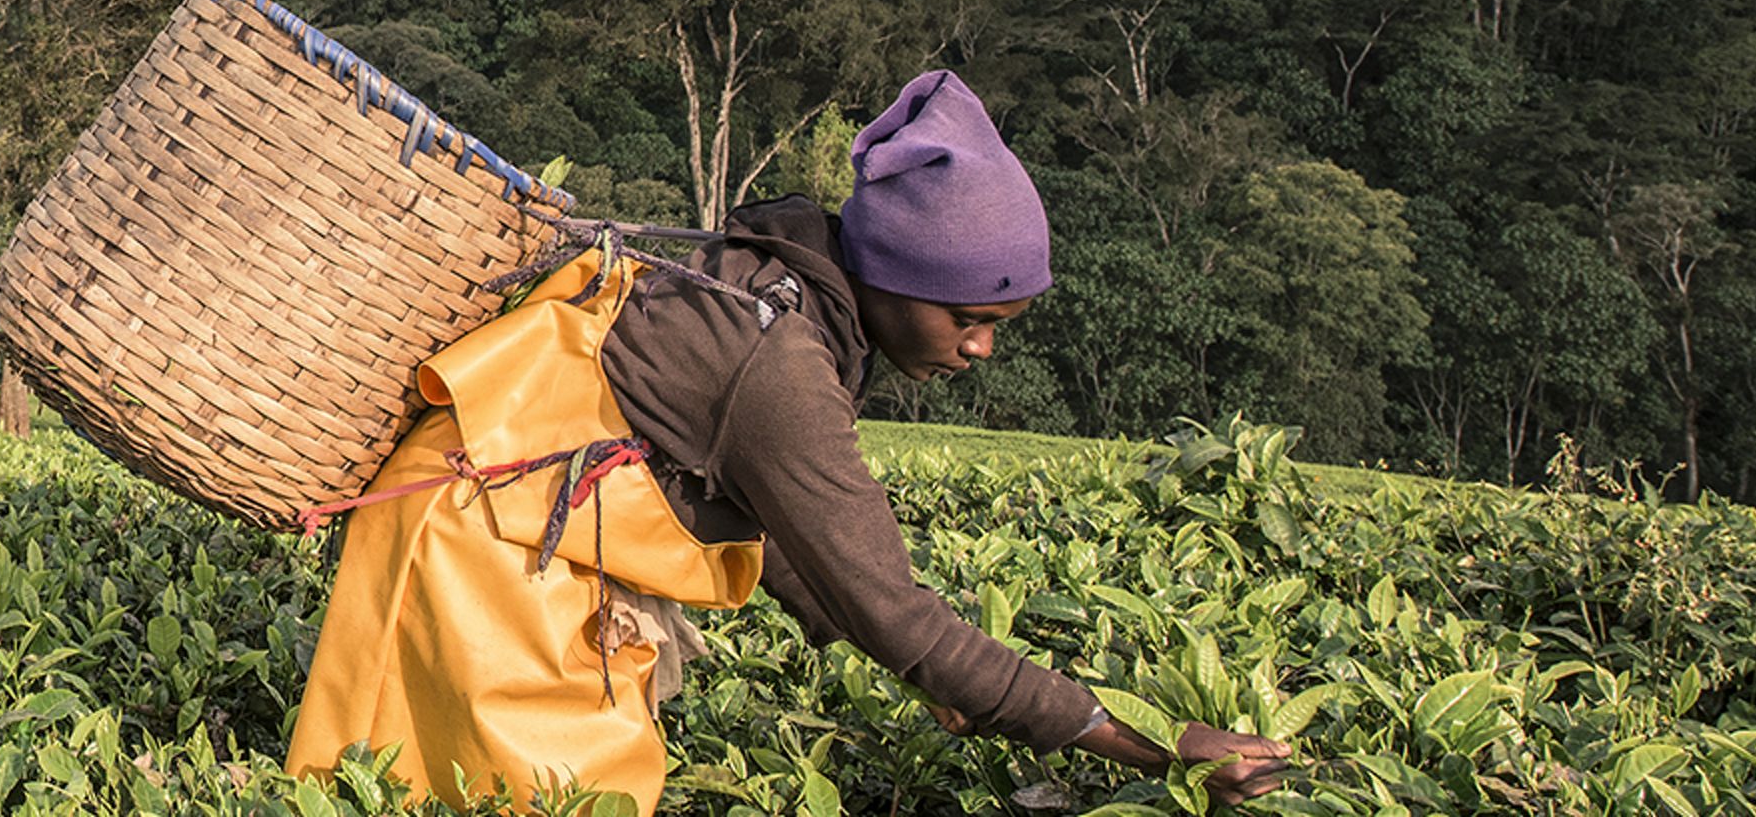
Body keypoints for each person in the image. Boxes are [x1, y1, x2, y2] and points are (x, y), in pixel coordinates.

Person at [288, 71, 1292, 812]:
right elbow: (890, 604)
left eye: (1001, 323)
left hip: (481, 517)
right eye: (968, 317)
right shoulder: (779, 369)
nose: (980, 348)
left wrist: (936, 677)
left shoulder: (778, 280)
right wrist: (1160, 747)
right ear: (895, 278)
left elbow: (800, 557)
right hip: (484, 552)